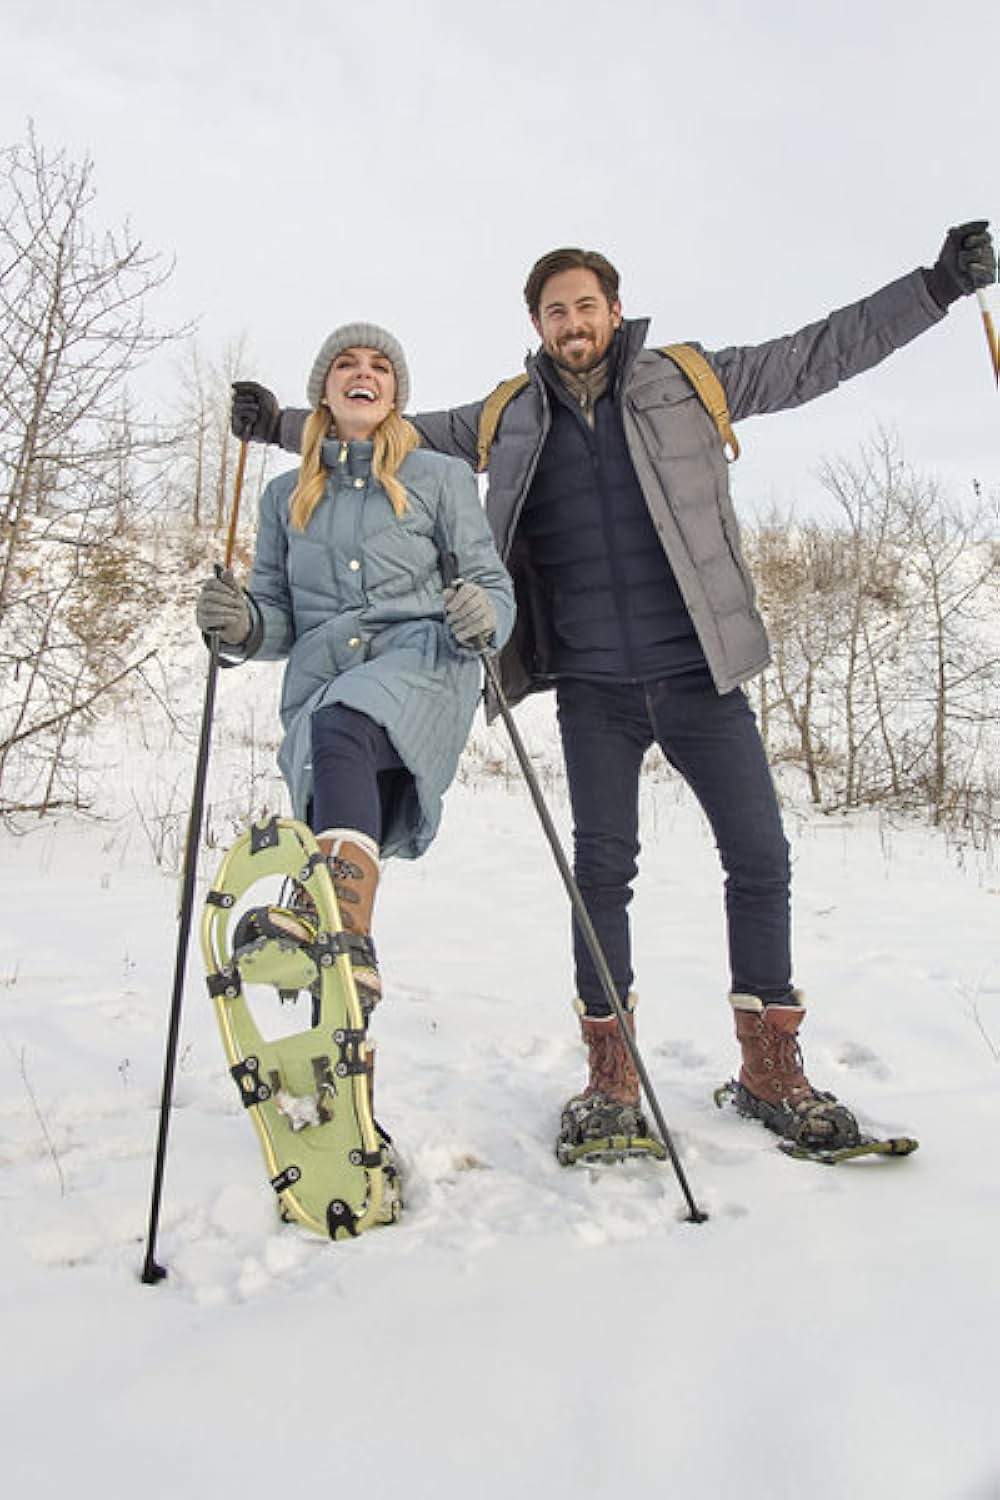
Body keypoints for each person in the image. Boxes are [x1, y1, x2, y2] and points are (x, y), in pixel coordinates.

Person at [229, 224, 997, 1161]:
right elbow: (376, 431)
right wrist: (274, 421)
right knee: (602, 874)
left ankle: (771, 1069)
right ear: (538, 325)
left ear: (614, 310)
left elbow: (817, 355)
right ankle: (610, 1080)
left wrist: (934, 287)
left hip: (701, 675)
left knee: (761, 859)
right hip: (591, 687)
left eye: (586, 305)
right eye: (556, 311)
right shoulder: (507, 414)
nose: (573, 322)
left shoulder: (688, 379)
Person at [198, 322, 514, 1037]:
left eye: (378, 365)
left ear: (395, 392)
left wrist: (483, 612)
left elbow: (491, 583)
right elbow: (278, 615)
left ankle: (329, 921)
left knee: (342, 724)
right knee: (331, 786)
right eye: (346, 363)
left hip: (423, 663)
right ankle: (340, 1059)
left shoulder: (440, 477)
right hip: (323, 684)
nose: (362, 372)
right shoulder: (285, 496)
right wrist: (241, 623)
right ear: (324, 389)